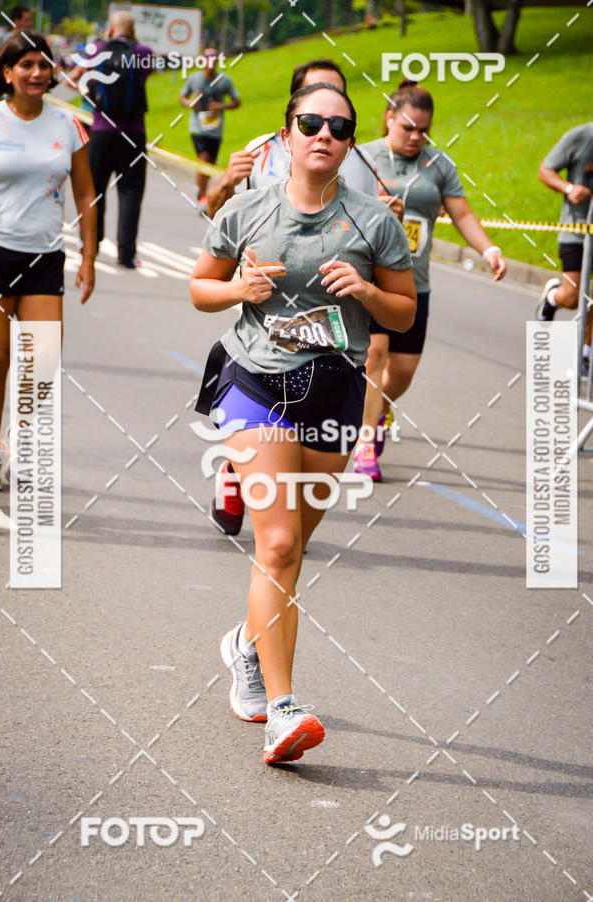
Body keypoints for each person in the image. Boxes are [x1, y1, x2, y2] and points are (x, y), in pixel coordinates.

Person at [190, 82, 415, 764]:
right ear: (286, 134)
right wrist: (239, 290)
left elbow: (403, 314)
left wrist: (369, 292)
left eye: (338, 127)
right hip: (253, 382)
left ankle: (246, 644)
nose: (323, 133)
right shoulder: (248, 211)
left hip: (334, 390)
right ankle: (283, 710)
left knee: (288, 552)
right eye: (309, 122)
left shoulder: (375, 222)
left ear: (349, 144)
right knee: (280, 545)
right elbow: (201, 287)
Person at [354, 81, 506, 481]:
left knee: (402, 371)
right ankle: (364, 444)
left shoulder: (438, 164)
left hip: (413, 284)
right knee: (374, 357)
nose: (417, 137)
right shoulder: (362, 159)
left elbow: (463, 214)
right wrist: (376, 209)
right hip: (369, 281)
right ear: (389, 119)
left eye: (424, 130)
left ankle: (378, 410)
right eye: (408, 128)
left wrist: (488, 250)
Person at [0, 32, 96, 489]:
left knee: (41, 363)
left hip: (44, 257)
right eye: (27, 65)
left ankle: (22, 442)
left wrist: (88, 257)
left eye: (44, 65)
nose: (37, 73)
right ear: (6, 73)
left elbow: (86, 194)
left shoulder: (67, 125)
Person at [207, 58, 379, 219]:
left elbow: (373, 232)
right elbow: (217, 219)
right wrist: (226, 183)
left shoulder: (363, 161)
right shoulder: (260, 151)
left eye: (337, 92)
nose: (324, 135)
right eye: (316, 91)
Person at [68, 12, 153, 268]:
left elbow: (73, 79)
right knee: (131, 192)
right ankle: (126, 253)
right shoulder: (144, 52)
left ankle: (91, 246)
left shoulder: (96, 49)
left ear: (110, 29)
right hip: (133, 132)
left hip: (101, 130)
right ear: (133, 30)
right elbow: (144, 78)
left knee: (95, 190)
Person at [536, 123, 593, 372]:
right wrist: (569, 188)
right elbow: (545, 170)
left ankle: (585, 352)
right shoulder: (580, 136)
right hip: (577, 231)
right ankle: (551, 297)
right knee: (572, 298)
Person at [180, 49, 240, 209]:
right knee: (203, 158)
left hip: (215, 127)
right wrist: (190, 103)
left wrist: (222, 106)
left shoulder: (224, 80)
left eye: (214, 57)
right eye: (208, 57)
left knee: (210, 164)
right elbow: (182, 97)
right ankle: (203, 199)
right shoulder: (194, 78)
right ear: (203, 60)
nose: (211, 60)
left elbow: (237, 101)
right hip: (197, 127)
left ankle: (201, 192)